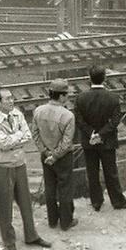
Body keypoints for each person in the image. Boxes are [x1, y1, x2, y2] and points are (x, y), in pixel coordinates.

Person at [0, 88, 51, 250]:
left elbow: (28, 136)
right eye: (7, 99)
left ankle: (31, 235)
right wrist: (18, 137)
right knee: (5, 206)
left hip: (20, 164)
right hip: (2, 166)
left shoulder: (17, 113)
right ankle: (9, 241)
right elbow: (4, 144)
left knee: (26, 202)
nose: (11, 101)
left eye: (12, 98)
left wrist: (14, 138)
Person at [75, 64, 126, 212]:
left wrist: (92, 134)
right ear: (104, 79)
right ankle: (117, 201)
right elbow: (115, 122)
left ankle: (96, 202)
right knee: (111, 172)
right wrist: (101, 134)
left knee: (92, 172)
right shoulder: (113, 98)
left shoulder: (81, 98)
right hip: (107, 141)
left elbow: (79, 120)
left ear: (89, 79)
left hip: (89, 142)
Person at [31, 79, 77, 231]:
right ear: (62, 96)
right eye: (67, 94)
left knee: (50, 187)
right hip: (63, 158)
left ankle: (52, 220)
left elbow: (35, 134)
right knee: (65, 188)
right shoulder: (68, 115)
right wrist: (56, 155)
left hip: (46, 157)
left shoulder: (38, 111)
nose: (68, 97)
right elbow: (66, 142)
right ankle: (66, 222)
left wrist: (45, 152)